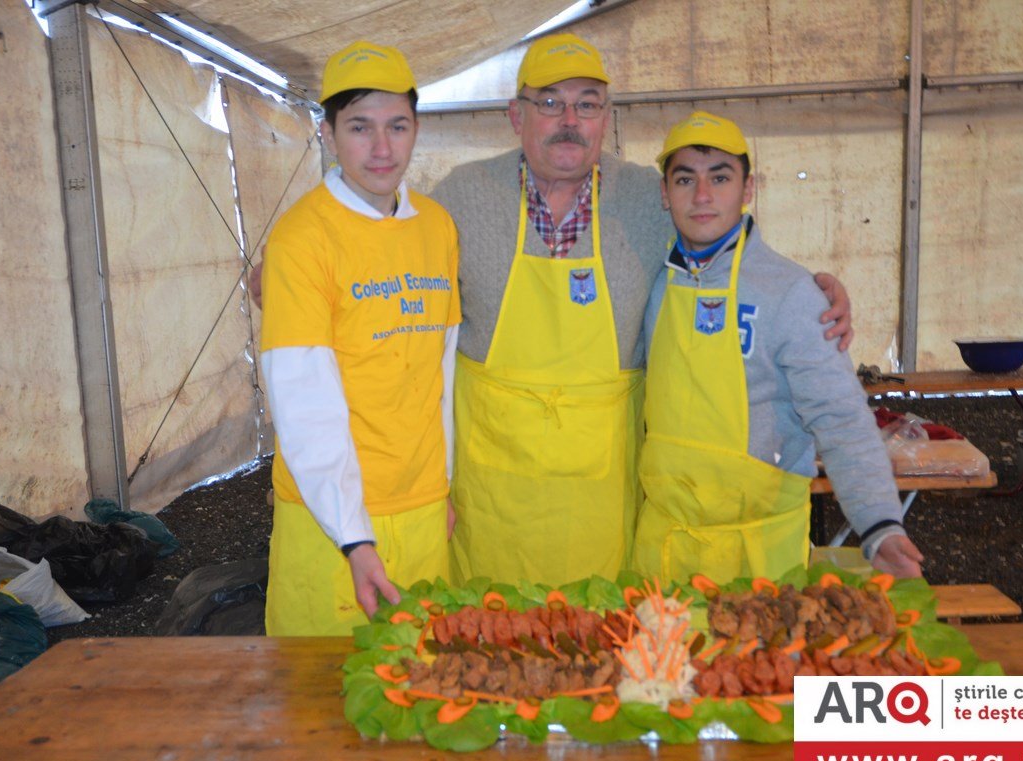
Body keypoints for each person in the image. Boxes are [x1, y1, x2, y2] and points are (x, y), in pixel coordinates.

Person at [429, 34, 853, 587]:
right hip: (489, 497)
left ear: (606, 116)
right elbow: (402, 277)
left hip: (603, 498)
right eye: (550, 102)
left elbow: (733, 254)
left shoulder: (647, 199)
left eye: (587, 104)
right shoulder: (460, 196)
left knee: (603, 644)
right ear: (516, 114)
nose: (569, 120)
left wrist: (815, 287)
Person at [631, 110, 924, 585]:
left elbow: (840, 417)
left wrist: (879, 525)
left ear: (748, 188)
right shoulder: (653, 283)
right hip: (663, 555)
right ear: (664, 194)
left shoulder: (792, 294)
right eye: (685, 179)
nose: (702, 196)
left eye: (720, 178)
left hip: (760, 562)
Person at [259, 41, 461, 636]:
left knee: (425, 692)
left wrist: (441, 486)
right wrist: (354, 537)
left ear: (416, 128)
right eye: (360, 127)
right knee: (320, 702)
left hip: (422, 507)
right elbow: (304, 400)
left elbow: (441, 373)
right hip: (332, 524)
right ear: (327, 132)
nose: (381, 148)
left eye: (397, 126)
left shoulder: (436, 227)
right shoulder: (302, 239)